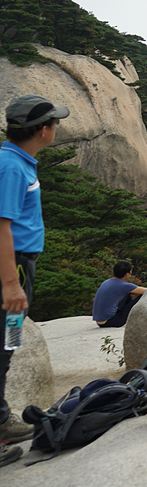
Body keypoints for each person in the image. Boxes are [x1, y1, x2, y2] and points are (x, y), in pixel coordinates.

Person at [0, 94, 69, 467]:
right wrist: (10, 285)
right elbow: (1, 226)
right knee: (0, 346)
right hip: (12, 271)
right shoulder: (10, 166)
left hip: (21, 268)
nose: (57, 127)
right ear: (42, 129)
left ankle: (2, 419)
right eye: (54, 122)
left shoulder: (20, 162)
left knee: (9, 343)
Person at [91, 261, 146, 328]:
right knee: (143, 295)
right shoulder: (124, 286)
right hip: (112, 321)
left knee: (126, 294)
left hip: (100, 322)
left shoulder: (107, 282)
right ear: (127, 274)